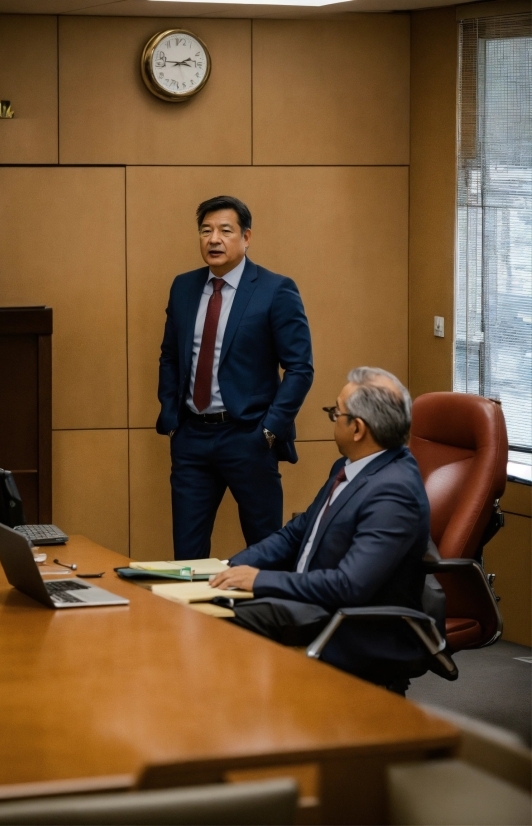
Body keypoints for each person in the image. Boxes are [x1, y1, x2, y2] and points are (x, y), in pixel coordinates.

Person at [210, 367, 431, 687]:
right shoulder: (349, 467)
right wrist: (233, 565)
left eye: (335, 412)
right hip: (312, 602)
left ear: (357, 429)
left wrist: (260, 580)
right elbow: (296, 533)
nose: (333, 419)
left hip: (349, 622)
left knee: (217, 621)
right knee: (206, 602)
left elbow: (349, 586)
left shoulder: (394, 493)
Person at [157, 195, 313, 560]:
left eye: (225, 231)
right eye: (206, 231)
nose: (214, 239)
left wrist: (270, 429)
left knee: (265, 552)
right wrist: (171, 415)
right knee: (188, 554)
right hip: (192, 438)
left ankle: (265, 618)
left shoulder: (276, 290)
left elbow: (300, 368)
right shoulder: (183, 287)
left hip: (249, 437)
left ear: (246, 238)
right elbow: (169, 355)